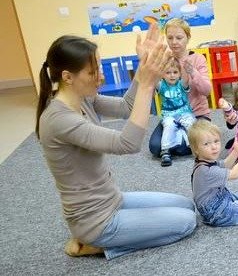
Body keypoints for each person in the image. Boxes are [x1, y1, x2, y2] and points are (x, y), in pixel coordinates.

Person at [36, 24, 197, 260]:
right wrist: (149, 83)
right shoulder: (59, 119)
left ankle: (109, 237)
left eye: (99, 67)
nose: (100, 75)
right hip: (97, 221)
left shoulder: (83, 98)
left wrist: (143, 67)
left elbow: (126, 107)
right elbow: (128, 143)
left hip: (113, 199)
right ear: (67, 77)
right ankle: (97, 245)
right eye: (93, 72)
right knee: (187, 223)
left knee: (186, 205)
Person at [149, 18, 212, 157]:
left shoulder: (198, 59)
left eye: (179, 37)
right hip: (171, 115)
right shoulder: (165, 60)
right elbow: (155, 88)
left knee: (197, 142)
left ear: (188, 38)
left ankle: (182, 140)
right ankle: (185, 139)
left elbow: (207, 90)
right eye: (170, 38)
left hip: (197, 114)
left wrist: (192, 72)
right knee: (154, 147)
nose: (174, 42)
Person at [157, 59, 196, 166]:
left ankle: (197, 147)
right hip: (168, 115)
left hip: (184, 113)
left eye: (175, 72)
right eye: (168, 72)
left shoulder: (181, 84)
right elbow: (154, 80)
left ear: (179, 74)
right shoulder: (161, 85)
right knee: (169, 126)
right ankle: (165, 151)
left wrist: (187, 70)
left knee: (191, 124)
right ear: (162, 74)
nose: (172, 75)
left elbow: (186, 80)